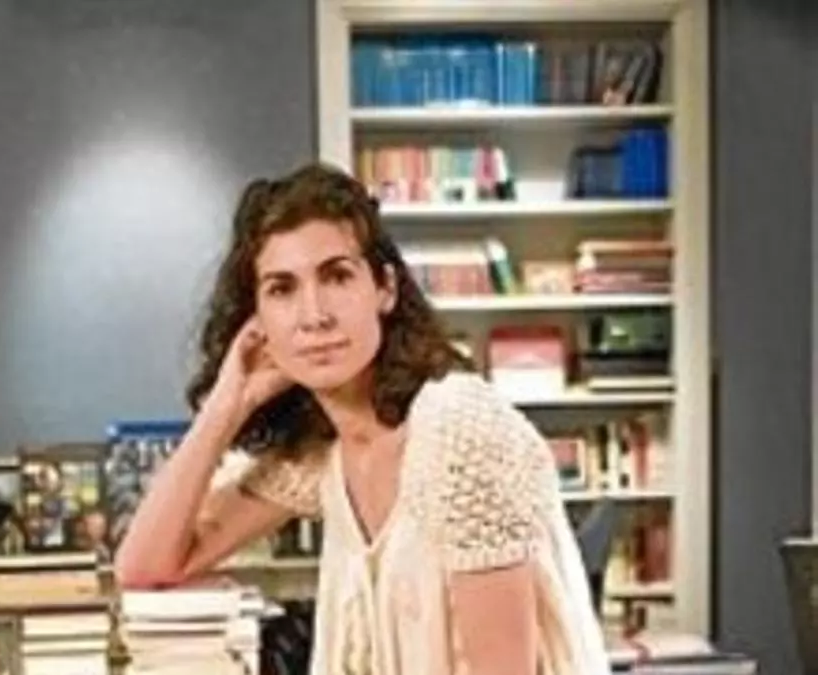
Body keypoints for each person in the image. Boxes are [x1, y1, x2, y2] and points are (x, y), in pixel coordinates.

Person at [112, 162, 610, 674]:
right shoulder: (326, 452)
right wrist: (224, 408)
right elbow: (145, 566)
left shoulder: (459, 428)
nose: (314, 316)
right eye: (282, 289)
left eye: (337, 276)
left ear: (384, 289)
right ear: (257, 323)